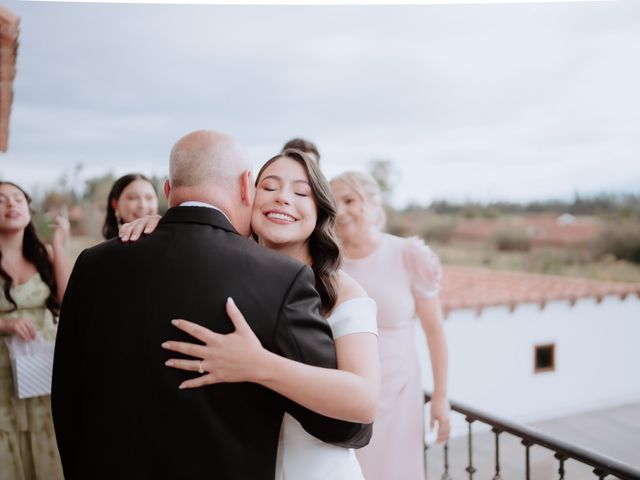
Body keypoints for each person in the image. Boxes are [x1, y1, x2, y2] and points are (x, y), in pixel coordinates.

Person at [51, 131, 371, 480]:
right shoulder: (264, 274)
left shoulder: (334, 290)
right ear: (247, 190)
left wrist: (258, 364)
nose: (282, 199)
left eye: (300, 192)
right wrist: (167, 226)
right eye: (270, 187)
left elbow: (354, 421)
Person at [330, 170, 451, 480]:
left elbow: (435, 331)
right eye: (333, 202)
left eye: (349, 200)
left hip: (400, 395)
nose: (341, 210)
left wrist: (440, 397)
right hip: (345, 394)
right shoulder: (326, 262)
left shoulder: (408, 255)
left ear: (372, 203)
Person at [0, 181, 71, 480]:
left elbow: (71, 301)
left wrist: (58, 246)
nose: (11, 205)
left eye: (18, 199)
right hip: (2, 374)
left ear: (29, 208)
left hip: (40, 366)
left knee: (48, 443)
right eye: (1, 200)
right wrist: (4, 323)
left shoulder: (44, 255)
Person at [102, 173, 158, 239]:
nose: (143, 205)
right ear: (115, 204)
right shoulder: (106, 248)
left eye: (149, 198)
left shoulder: (169, 238)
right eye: (133, 198)